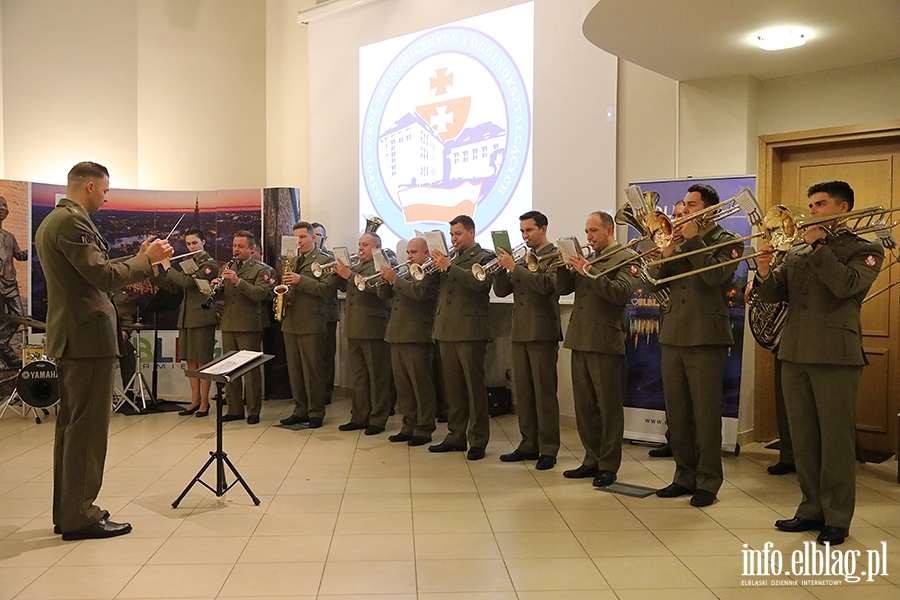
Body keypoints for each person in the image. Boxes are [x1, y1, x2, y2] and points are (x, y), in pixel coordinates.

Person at [34, 161, 172, 540]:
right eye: (106, 190)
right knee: (87, 430)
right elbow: (102, 277)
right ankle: (80, 515)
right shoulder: (72, 222)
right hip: (86, 337)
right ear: (90, 187)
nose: (108, 197)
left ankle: (70, 510)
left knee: (73, 428)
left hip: (76, 336)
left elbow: (93, 271)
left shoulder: (56, 220)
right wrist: (149, 261)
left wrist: (140, 256)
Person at [755, 180, 883, 546]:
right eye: (810, 205)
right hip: (793, 352)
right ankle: (811, 507)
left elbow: (846, 286)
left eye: (820, 204)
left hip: (835, 355)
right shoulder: (795, 249)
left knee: (835, 440)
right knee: (804, 438)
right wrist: (764, 271)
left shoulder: (865, 249)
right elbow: (773, 294)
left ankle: (838, 516)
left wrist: (818, 245)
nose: (812, 211)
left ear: (843, 209)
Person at [645, 183, 742, 508]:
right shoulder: (678, 238)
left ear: (710, 209)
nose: (684, 209)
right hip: (673, 333)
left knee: (705, 413)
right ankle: (683, 475)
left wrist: (693, 238)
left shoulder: (728, 241)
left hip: (706, 336)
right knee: (678, 412)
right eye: (683, 204)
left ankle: (708, 481)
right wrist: (669, 249)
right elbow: (655, 278)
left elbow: (715, 278)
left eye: (691, 205)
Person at [558, 211, 640, 486]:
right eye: (587, 232)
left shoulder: (625, 257)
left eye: (593, 231)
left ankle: (608, 464)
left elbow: (620, 293)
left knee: (608, 407)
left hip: (605, 341)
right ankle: (590, 459)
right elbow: (561, 289)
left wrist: (589, 272)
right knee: (585, 406)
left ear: (608, 230)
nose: (589, 237)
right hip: (580, 337)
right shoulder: (589, 259)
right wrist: (564, 267)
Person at [493, 211, 562, 470]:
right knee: (523, 392)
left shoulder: (554, 254)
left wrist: (515, 267)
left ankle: (549, 448)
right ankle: (528, 443)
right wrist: (502, 269)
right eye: (522, 231)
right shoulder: (522, 258)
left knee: (544, 393)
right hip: (520, 330)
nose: (525, 236)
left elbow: (547, 286)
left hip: (542, 330)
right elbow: (502, 291)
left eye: (529, 231)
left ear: (543, 229)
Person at [428, 215, 495, 461]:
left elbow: (479, 284)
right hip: (445, 329)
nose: (454, 239)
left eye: (458, 234)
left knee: (473, 388)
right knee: (453, 388)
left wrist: (449, 266)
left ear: (471, 232)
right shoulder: (451, 258)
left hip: (470, 331)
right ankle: (456, 435)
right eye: (452, 235)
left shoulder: (484, 257)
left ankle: (478, 439)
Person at [379, 237, 440, 446]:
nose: (409, 256)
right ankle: (408, 425)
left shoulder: (431, 272)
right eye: (408, 252)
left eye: (413, 252)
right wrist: (386, 278)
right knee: (403, 386)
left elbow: (420, 293)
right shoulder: (405, 272)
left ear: (426, 253)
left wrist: (395, 279)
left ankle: (424, 428)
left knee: (421, 385)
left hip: (417, 334)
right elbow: (384, 295)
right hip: (397, 333)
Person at [332, 232, 392, 434]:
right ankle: (359, 416)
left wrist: (350, 275)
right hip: (355, 327)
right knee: (359, 376)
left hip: (374, 327)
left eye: (365, 245)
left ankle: (378, 418)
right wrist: (339, 272)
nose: (360, 249)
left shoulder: (383, 263)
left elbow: (377, 288)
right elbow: (342, 286)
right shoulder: (356, 266)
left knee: (378, 377)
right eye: (359, 244)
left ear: (377, 246)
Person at [154, 229, 218, 417]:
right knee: (190, 359)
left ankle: (205, 403)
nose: (192, 247)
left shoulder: (209, 265)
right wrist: (156, 271)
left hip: (202, 317)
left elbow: (190, 283)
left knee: (203, 360)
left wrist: (168, 269)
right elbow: (175, 286)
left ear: (203, 242)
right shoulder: (189, 263)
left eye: (195, 243)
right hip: (187, 316)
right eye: (189, 244)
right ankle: (195, 400)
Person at [212, 230, 274, 425]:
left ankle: (253, 410)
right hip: (229, 323)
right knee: (230, 368)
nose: (236, 250)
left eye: (240, 246)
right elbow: (225, 297)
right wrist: (215, 288)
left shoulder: (262, 270)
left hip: (249, 324)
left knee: (251, 370)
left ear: (251, 248)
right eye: (234, 246)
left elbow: (261, 295)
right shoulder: (227, 268)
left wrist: (237, 281)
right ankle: (234, 408)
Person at [278, 221, 335, 429]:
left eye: (302, 237)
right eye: (296, 238)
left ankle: (316, 412)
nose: (299, 241)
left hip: (312, 321)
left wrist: (300, 280)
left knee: (314, 370)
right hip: (291, 320)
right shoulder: (291, 259)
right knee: (295, 370)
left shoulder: (324, 260)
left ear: (313, 237)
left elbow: (327, 289)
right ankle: (299, 409)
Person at [743, 279, 794, 475]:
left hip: (816, 337)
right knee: (784, 402)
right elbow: (775, 282)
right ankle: (789, 455)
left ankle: (817, 460)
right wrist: (756, 283)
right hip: (786, 339)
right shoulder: (789, 253)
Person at [648, 199, 686, 459]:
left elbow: (712, 279)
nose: (678, 219)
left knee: (697, 406)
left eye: (684, 213)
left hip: (699, 332)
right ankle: (675, 442)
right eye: (676, 214)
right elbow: (654, 284)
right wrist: (664, 256)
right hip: (672, 329)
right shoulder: (671, 246)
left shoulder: (718, 242)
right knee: (675, 399)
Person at [312, 221, 339, 405]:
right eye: (312, 235)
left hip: (327, 313)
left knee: (326, 355)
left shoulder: (329, 257)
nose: (315, 239)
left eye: (318, 236)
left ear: (324, 238)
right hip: (310, 314)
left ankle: (326, 392)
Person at [0, 195, 28, 370]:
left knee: (18, 316)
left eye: (4, 204)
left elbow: (19, 255)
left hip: (10, 284)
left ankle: (2, 343)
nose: (2, 208)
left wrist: (37, 247)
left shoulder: (9, 237)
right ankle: (4, 354)